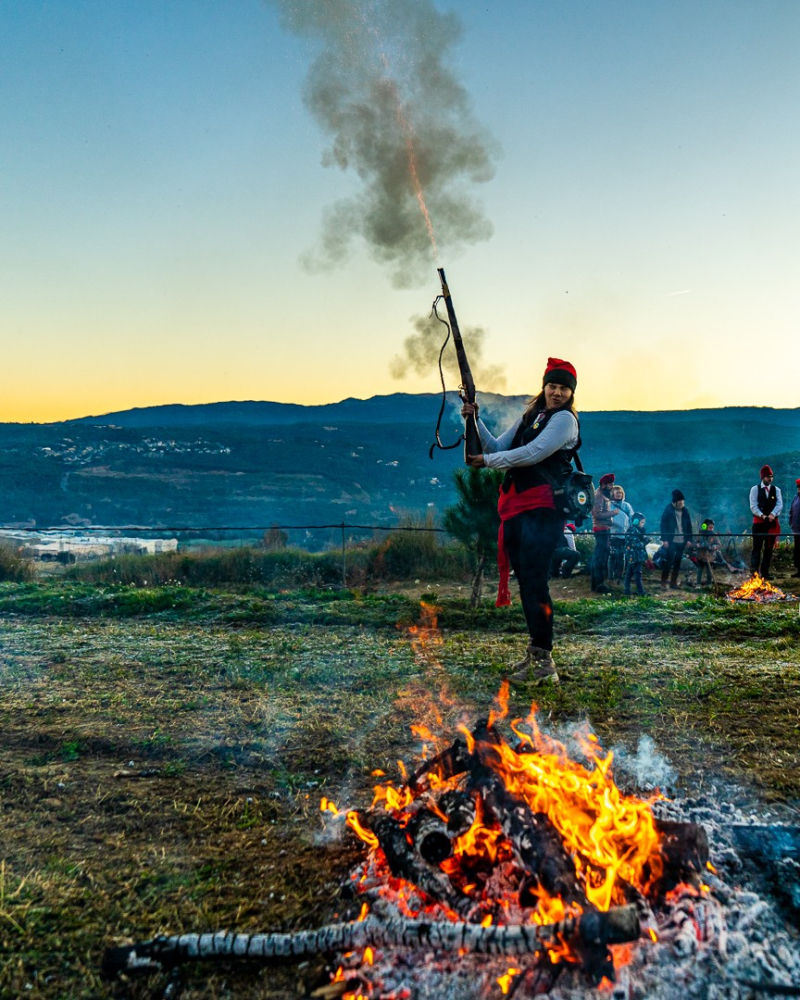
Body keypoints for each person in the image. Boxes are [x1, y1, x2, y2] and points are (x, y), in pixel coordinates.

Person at [462, 357, 580, 685]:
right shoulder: (532, 415)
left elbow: (532, 453)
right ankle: (537, 655)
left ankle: (544, 661)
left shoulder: (564, 421)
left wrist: (487, 462)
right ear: (544, 386)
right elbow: (499, 446)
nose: (557, 393)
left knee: (535, 582)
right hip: (518, 508)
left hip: (543, 510)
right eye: (552, 386)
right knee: (527, 582)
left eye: (563, 388)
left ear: (571, 393)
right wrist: (474, 421)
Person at [749, 465, 783, 579]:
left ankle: (765, 573)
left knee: (768, 549)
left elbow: (779, 504)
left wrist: (773, 514)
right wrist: (762, 515)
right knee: (757, 548)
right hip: (759, 523)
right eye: (768, 477)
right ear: (763, 477)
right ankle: (754, 573)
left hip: (771, 524)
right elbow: (753, 506)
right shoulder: (755, 489)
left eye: (771, 477)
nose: (770, 479)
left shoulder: (776, 490)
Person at [659, 489, 693, 589]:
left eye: (683, 502)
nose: (682, 504)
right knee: (668, 562)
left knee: (678, 562)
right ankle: (663, 582)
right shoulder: (668, 510)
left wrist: (689, 540)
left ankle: (673, 583)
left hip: (682, 540)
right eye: (680, 502)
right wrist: (664, 539)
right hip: (671, 540)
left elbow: (689, 526)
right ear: (675, 502)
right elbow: (663, 525)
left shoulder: (685, 511)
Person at [591, 473, 617, 593]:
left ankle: (598, 583)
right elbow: (597, 514)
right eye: (610, 484)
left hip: (604, 529)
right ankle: (598, 584)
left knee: (602, 556)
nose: (612, 486)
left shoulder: (603, 495)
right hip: (601, 529)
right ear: (603, 484)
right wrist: (613, 513)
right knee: (600, 557)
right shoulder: (599, 496)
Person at [608, 484, 633, 583]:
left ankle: (619, 576)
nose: (619, 494)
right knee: (612, 555)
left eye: (620, 492)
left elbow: (631, 517)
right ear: (612, 494)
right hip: (612, 534)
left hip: (624, 534)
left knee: (622, 556)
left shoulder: (626, 505)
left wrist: (630, 529)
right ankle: (610, 576)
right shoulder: (609, 505)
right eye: (617, 492)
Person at [623, 511, 648, 596]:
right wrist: (645, 542)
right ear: (636, 521)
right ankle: (641, 592)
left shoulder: (637, 530)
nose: (643, 524)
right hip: (634, 556)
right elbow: (634, 544)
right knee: (637, 574)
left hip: (634, 556)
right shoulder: (633, 530)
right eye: (642, 522)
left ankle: (627, 590)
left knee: (629, 573)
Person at [694, 518, 722, 586]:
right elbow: (695, 542)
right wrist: (697, 545)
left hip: (710, 556)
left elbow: (719, 544)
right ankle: (698, 584)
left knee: (709, 571)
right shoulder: (700, 534)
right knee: (700, 570)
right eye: (710, 527)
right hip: (700, 555)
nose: (711, 529)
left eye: (712, 528)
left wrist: (714, 546)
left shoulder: (713, 535)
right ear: (705, 526)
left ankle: (709, 584)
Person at [790, 479, 800, 578]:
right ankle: (798, 570)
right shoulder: (795, 498)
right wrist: (791, 523)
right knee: (797, 550)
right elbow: (791, 512)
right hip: (796, 530)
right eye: (798, 488)